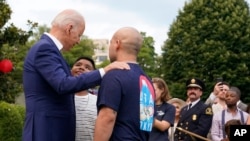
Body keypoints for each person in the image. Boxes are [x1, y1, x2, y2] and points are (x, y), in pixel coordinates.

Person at [22, 9, 129, 141]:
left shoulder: (50, 50)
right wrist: (104, 71)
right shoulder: (44, 48)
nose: (78, 41)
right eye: (79, 35)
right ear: (69, 28)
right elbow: (63, 84)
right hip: (45, 130)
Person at [93, 27, 155, 141]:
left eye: (110, 43)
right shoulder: (147, 81)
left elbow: (107, 117)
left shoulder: (114, 75)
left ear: (117, 43)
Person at [71, 56, 98, 141]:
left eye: (87, 67)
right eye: (78, 65)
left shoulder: (98, 101)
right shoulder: (59, 99)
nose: (81, 68)